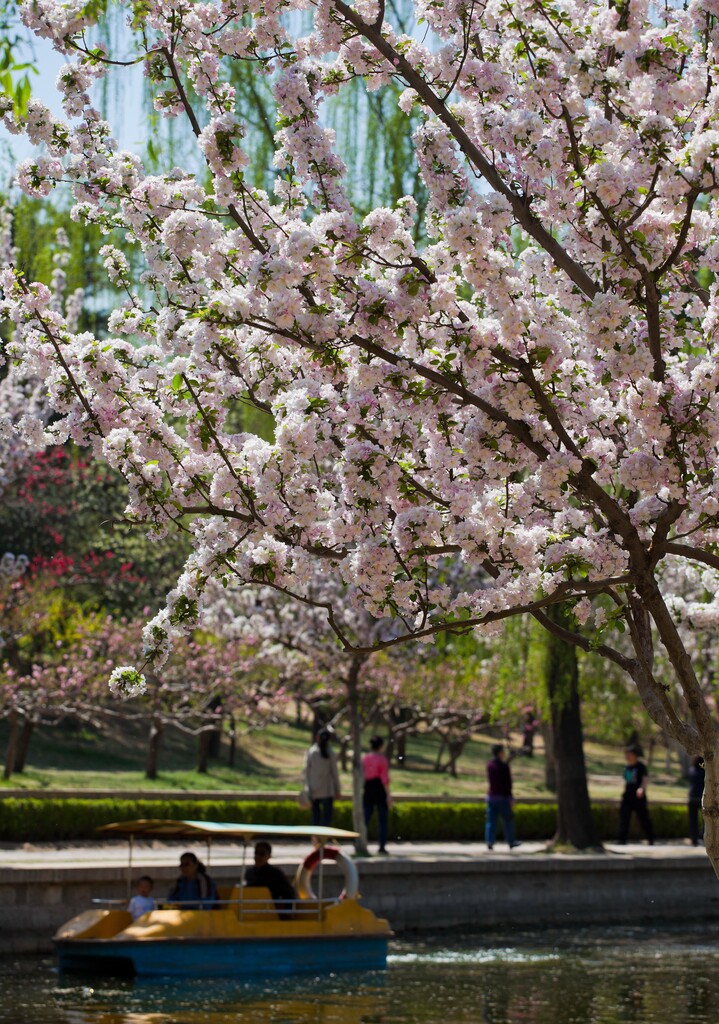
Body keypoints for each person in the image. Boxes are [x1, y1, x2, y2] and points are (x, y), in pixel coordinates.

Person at [244, 840, 296, 918]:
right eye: (256, 853)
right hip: (250, 911)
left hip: (270, 912)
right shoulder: (249, 873)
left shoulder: (275, 874)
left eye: (262, 853)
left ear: (269, 856)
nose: (258, 856)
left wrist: (285, 912)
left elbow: (289, 894)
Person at [304, 727, 341, 827]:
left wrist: (306, 788)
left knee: (315, 817)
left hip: (314, 788)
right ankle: (323, 839)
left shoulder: (311, 752)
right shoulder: (331, 753)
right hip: (327, 790)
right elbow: (335, 773)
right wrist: (338, 790)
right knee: (327, 817)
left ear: (317, 738)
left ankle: (315, 839)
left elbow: (306, 771)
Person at [485, 743, 520, 850]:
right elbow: (507, 784)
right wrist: (510, 798)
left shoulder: (489, 765)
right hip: (503, 798)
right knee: (508, 820)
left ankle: (490, 841)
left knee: (491, 821)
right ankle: (511, 841)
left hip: (492, 797)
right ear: (500, 753)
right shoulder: (504, 767)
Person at [618, 743, 654, 845]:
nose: (627, 756)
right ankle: (622, 840)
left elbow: (645, 778)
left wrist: (642, 788)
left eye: (628, 754)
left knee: (643, 818)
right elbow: (626, 780)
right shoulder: (627, 767)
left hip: (639, 797)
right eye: (626, 754)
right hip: (627, 796)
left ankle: (650, 839)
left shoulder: (640, 766)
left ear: (634, 755)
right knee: (624, 817)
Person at [362, 735, 390, 854]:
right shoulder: (382, 760)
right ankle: (382, 846)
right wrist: (388, 795)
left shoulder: (365, 758)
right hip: (379, 788)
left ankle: (361, 842)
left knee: (365, 818)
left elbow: (362, 775)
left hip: (368, 787)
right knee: (382, 819)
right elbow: (385, 779)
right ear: (381, 746)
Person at [688, 754, 705, 846]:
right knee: (705, 820)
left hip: (693, 797)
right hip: (700, 798)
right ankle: (701, 836)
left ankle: (694, 838)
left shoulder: (691, 770)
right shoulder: (705, 771)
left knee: (693, 820)